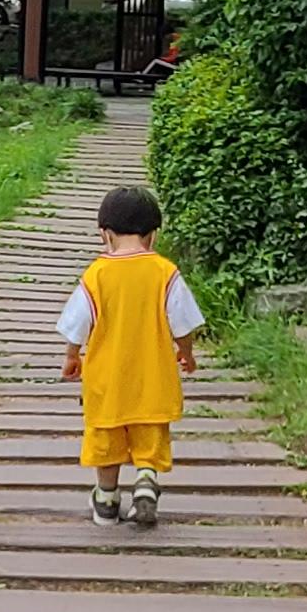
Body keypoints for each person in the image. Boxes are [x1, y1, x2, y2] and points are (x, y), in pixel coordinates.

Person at [58, 179, 204, 529]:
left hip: (107, 385)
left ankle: (107, 500)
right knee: (149, 437)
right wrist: (186, 353)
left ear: (104, 235)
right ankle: (146, 482)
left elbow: (77, 324)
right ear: (153, 235)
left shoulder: (96, 276)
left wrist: (72, 357)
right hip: (153, 381)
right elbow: (183, 324)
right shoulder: (165, 273)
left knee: (106, 443)